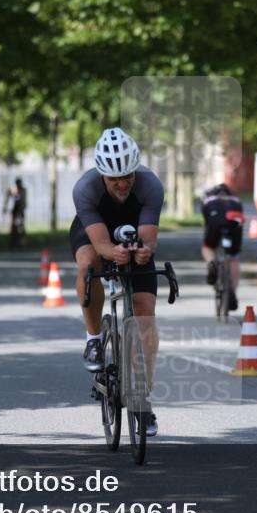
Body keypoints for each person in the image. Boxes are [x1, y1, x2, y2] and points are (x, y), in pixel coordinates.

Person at [71, 127, 163, 436]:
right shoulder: (85, 189)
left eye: (128, 176)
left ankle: (142, 399)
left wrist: (140, 253)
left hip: (134, 232)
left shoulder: (150, 185)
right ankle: (94, 338)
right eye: (114, 179)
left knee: (145, 313)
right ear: (101, 175)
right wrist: (114, 252)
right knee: (88, 265)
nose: (123, 184)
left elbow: (148, 240)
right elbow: (99, 245)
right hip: (94, 231)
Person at [201, 183, 244, 311]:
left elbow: (207, 223)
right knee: (234, 257)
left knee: (208, 246)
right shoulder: (236, 200)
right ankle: (233, 291)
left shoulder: (208, 200)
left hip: (215, 223)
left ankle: (211, 263)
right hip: (234, 226)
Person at [3, 177, 27, 249]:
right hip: (15, 210)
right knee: (13, 227)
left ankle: (21, 242)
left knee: (21, 226)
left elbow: (23, 201)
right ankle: (13, 242)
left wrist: (22, 208)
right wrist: (5, 206)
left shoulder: (23, 190)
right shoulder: (13, 190)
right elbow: (7, 197)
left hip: (20, 210)